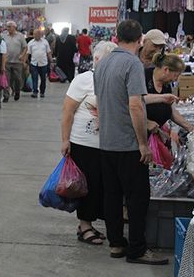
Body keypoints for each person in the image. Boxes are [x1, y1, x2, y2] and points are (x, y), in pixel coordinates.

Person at [94, 19, 168, 265]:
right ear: (140, 40)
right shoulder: (132, 64)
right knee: (137, 198)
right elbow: (135, 105)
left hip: (106, 142)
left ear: (117, 36)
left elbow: (104, 100)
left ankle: (116, 243)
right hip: (128, 144)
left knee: (112, 196)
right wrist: (143, 144)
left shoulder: (103, 63)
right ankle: (137, 248)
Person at [60, 41, 117, 246]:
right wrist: (65, 140)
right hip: (84, 143)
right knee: (87, 186)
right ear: (96, 59)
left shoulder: (115, 79)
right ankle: (84, 226)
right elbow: (68, 111)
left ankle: (90, 224)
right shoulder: (83, 80)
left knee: (102, 186)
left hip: (108, 143)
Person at [145, 53, 194, 134]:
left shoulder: (166, 85)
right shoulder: (143, 77)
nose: (175, 79)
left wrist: (190, 128)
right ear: (166, 70)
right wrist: (146, 122)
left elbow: (171, 110)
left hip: (155, 133)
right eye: (175, 75)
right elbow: (134, 102)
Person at [2, 21, 27, 102]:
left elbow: (25, 47)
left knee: (18, 79)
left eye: (9, 26)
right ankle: (6, 96)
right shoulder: (4, 35)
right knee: (7, 79)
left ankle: (17, 91)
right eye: (7, 26)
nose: (8, 28)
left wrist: (22, 55)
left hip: (17, 62)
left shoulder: (20, 36)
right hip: (7, 61)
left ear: (14, 27)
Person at [27, 28, 52, 98]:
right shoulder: (31, 43)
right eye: (34, 34)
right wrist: (24, 62)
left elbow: (48, 52)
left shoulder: (45, 42)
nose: (35, 35)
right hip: (34, 63)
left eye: (37, 34)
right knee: (34, 78)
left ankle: (42, 92)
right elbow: (28, 53)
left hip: (43, 63)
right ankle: (35, 91)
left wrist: (51, 61)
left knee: (43, 79)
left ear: (40, 35)